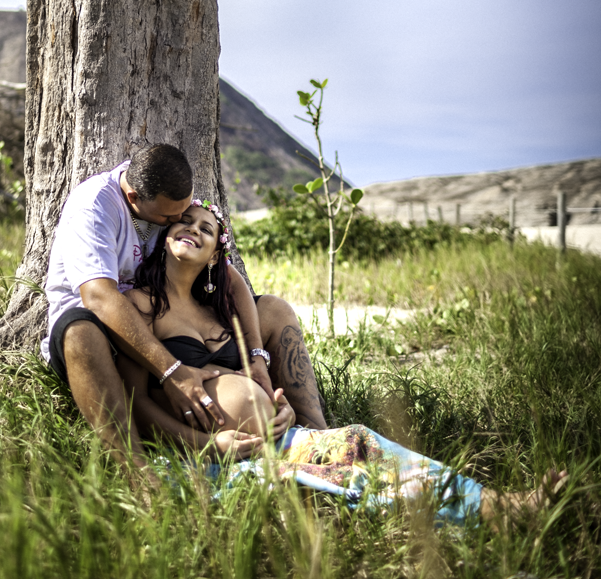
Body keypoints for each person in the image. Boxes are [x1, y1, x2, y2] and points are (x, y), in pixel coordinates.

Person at [118, 201, 567, 523]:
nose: (193, 228)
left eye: (206, 227)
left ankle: (491, 502)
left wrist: (280, 406)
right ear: (167, 233)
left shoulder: (218, 311)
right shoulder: (141, 308)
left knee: (358, 443)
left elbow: (248, 374)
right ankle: (487, 510)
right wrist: (209, 445)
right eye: (185, 221)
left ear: (216, 253)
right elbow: (136, 404)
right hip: (209, 456)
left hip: (275, 439)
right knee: (351, 467)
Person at [42, 144, 325, 473]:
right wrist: (172, 371)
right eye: (171, 219)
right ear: (134, 198)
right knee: (82, 330)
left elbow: (231, 281)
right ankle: (136, 471)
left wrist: (256, 360)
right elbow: (100, 298)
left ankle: (318, 433)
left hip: (169, 327)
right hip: (100, 335)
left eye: (192, 219)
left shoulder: (169, 206)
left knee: (273, 309)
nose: (180, 221)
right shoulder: (94, 207)